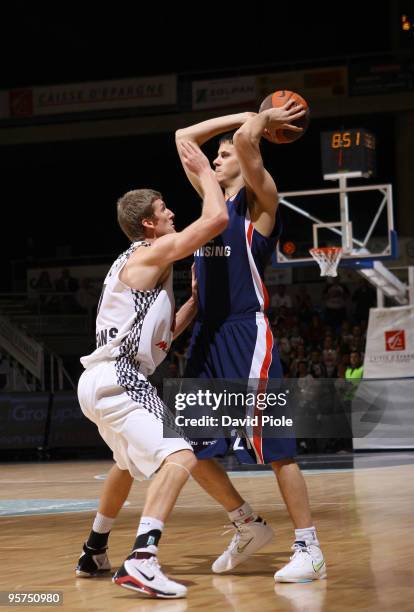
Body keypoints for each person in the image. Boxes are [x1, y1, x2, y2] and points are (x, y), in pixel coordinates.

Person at [174, 104, 326, 583]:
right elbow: (183, 137)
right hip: (205, 335)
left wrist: (258, 123)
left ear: (248, 156)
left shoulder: (260, 202)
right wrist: (243, 113)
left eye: (224, 155)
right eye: (214, 156)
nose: (216, 160)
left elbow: (244, 145)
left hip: (245, 332)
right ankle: (247, 524)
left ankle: (310, 547)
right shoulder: (211, 205)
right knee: (186, 447)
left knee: (277, 448)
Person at [75, 141, 228, 599]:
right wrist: (205, 174)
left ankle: (93, 550)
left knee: (124, 465)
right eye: (165, 210)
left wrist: (194, 305)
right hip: (119, 377)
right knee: (180, 457)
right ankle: (142, 559)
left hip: (102, 379)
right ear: (148, 224)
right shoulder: (147, 254)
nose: (172, 214)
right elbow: (215, 221)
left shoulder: (142, 267)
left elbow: (160, 338)